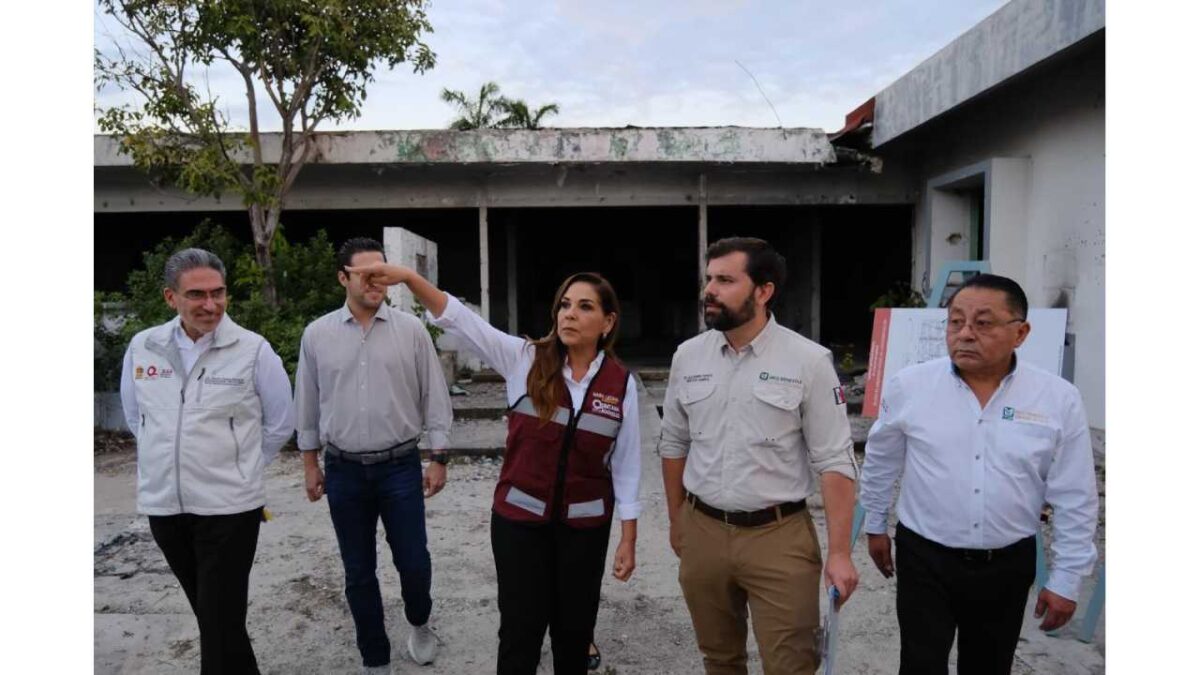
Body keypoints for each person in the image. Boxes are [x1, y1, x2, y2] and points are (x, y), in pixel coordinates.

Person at [347, 260, 640, 675]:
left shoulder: (620, 384)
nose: (570, 314)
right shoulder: (524, 359)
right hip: (519, 526)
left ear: (607, 322)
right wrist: (411, 280)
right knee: (520, 632)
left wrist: (628, 537)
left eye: (585, 307)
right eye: (564, 305)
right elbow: (463, 321)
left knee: (573, 635)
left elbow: (626, 465)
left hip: (584, 530)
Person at [858, 273, 1099, 675]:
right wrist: (876, 524)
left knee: (989, 666)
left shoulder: (1057, 399)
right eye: (955, 322)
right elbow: (882, 458)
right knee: (920, 664)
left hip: (1007, 562)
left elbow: (1075, 494)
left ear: (1020, 332)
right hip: (925, 556)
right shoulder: (911, 387)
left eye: (983, 323)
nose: (965, 334)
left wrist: (1067, 578)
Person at [658, 237, 860, 675]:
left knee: (791, 666)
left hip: (779, 537)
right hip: (703, 530)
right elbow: (673, 444)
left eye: (725, 280)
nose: (709, 290)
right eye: (708, 279)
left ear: (763, 291)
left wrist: (840, 552)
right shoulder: (687, 357)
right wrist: (678, 521)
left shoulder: (809, 361)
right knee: (719, 659)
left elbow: (835, 461)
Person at [120, 248, 295, 674]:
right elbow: (134, 417)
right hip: (165, 507)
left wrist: (242, 469)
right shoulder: (144, 347)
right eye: (197, 294)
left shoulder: (252, 350)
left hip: (230, 509)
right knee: (215, 617)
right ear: (170, 298)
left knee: (218, 617)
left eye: (219, 293)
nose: (211, 305)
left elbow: (281, 422)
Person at [293, 237, 454, 673]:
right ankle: (375, 657)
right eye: (366, 274)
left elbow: (434, 397)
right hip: (343, 470)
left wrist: (438, 456)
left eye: (382, 273)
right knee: (358, 571)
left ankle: (419, 622)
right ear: (343, 277)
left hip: (400, 468)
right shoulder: (318, 335)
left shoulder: (412, 331)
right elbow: (306, 405)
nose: (376, 282)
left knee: (414, 562)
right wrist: (310, 464)